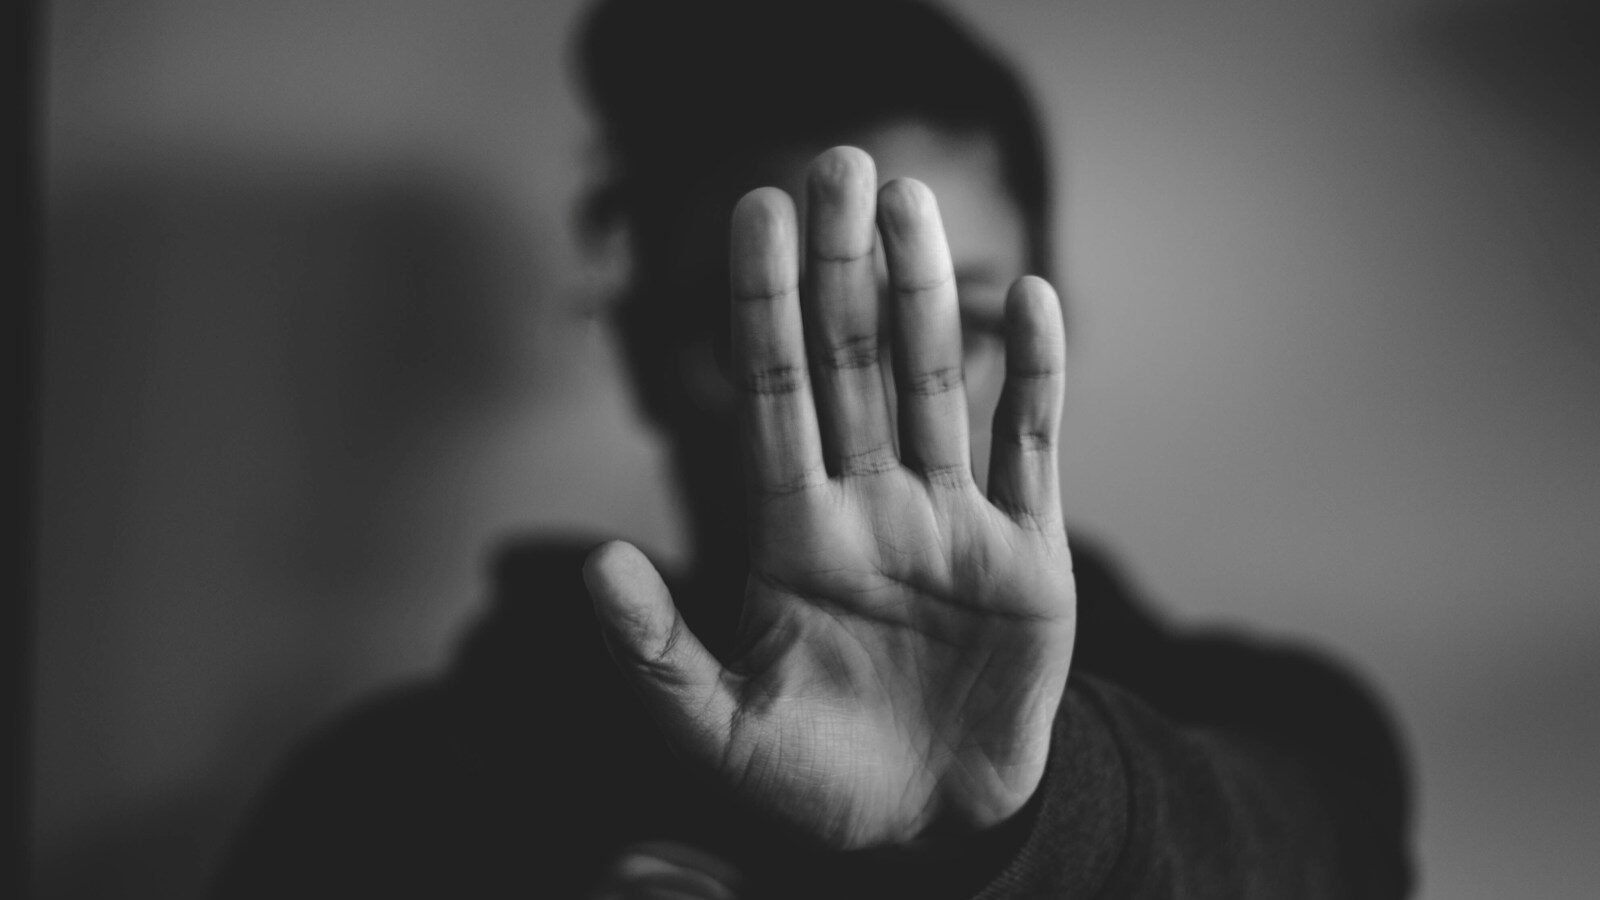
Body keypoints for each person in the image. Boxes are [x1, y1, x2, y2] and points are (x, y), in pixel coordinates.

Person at [213, 1, 1414, 897]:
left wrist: (1037, 809)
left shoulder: (1280, 730)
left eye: (961, 322)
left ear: (1052, 337)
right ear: (643, 355)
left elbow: (1320, 856)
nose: (883, 392)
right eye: (775, 325)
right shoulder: (381, 806)